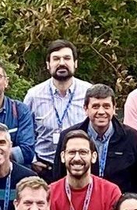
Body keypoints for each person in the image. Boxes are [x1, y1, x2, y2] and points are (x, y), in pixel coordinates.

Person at [60, 84, 137, 195]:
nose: (101, 111)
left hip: (120, 201)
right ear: (85, 109)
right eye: (95, 106)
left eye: (106, 106)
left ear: (114, 108)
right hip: (80, 199)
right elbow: (59, 177)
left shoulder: (131, 137)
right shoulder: (69, 137)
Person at [49, 130, 124, 210]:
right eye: (72, 152)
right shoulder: (50, 193)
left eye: (83, 152)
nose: (77, 158)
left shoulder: (111, 191)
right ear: (62, 156)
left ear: (93, 157)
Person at [24, 40, 92, 173]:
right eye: (56, 59)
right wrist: (33, 160)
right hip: (44, 168)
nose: (61, 63)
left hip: (79, 166)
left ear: (75, 63)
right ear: (48, 65)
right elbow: (26, 131)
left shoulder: (89, 93)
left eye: (67, 58)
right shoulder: (34, 95)